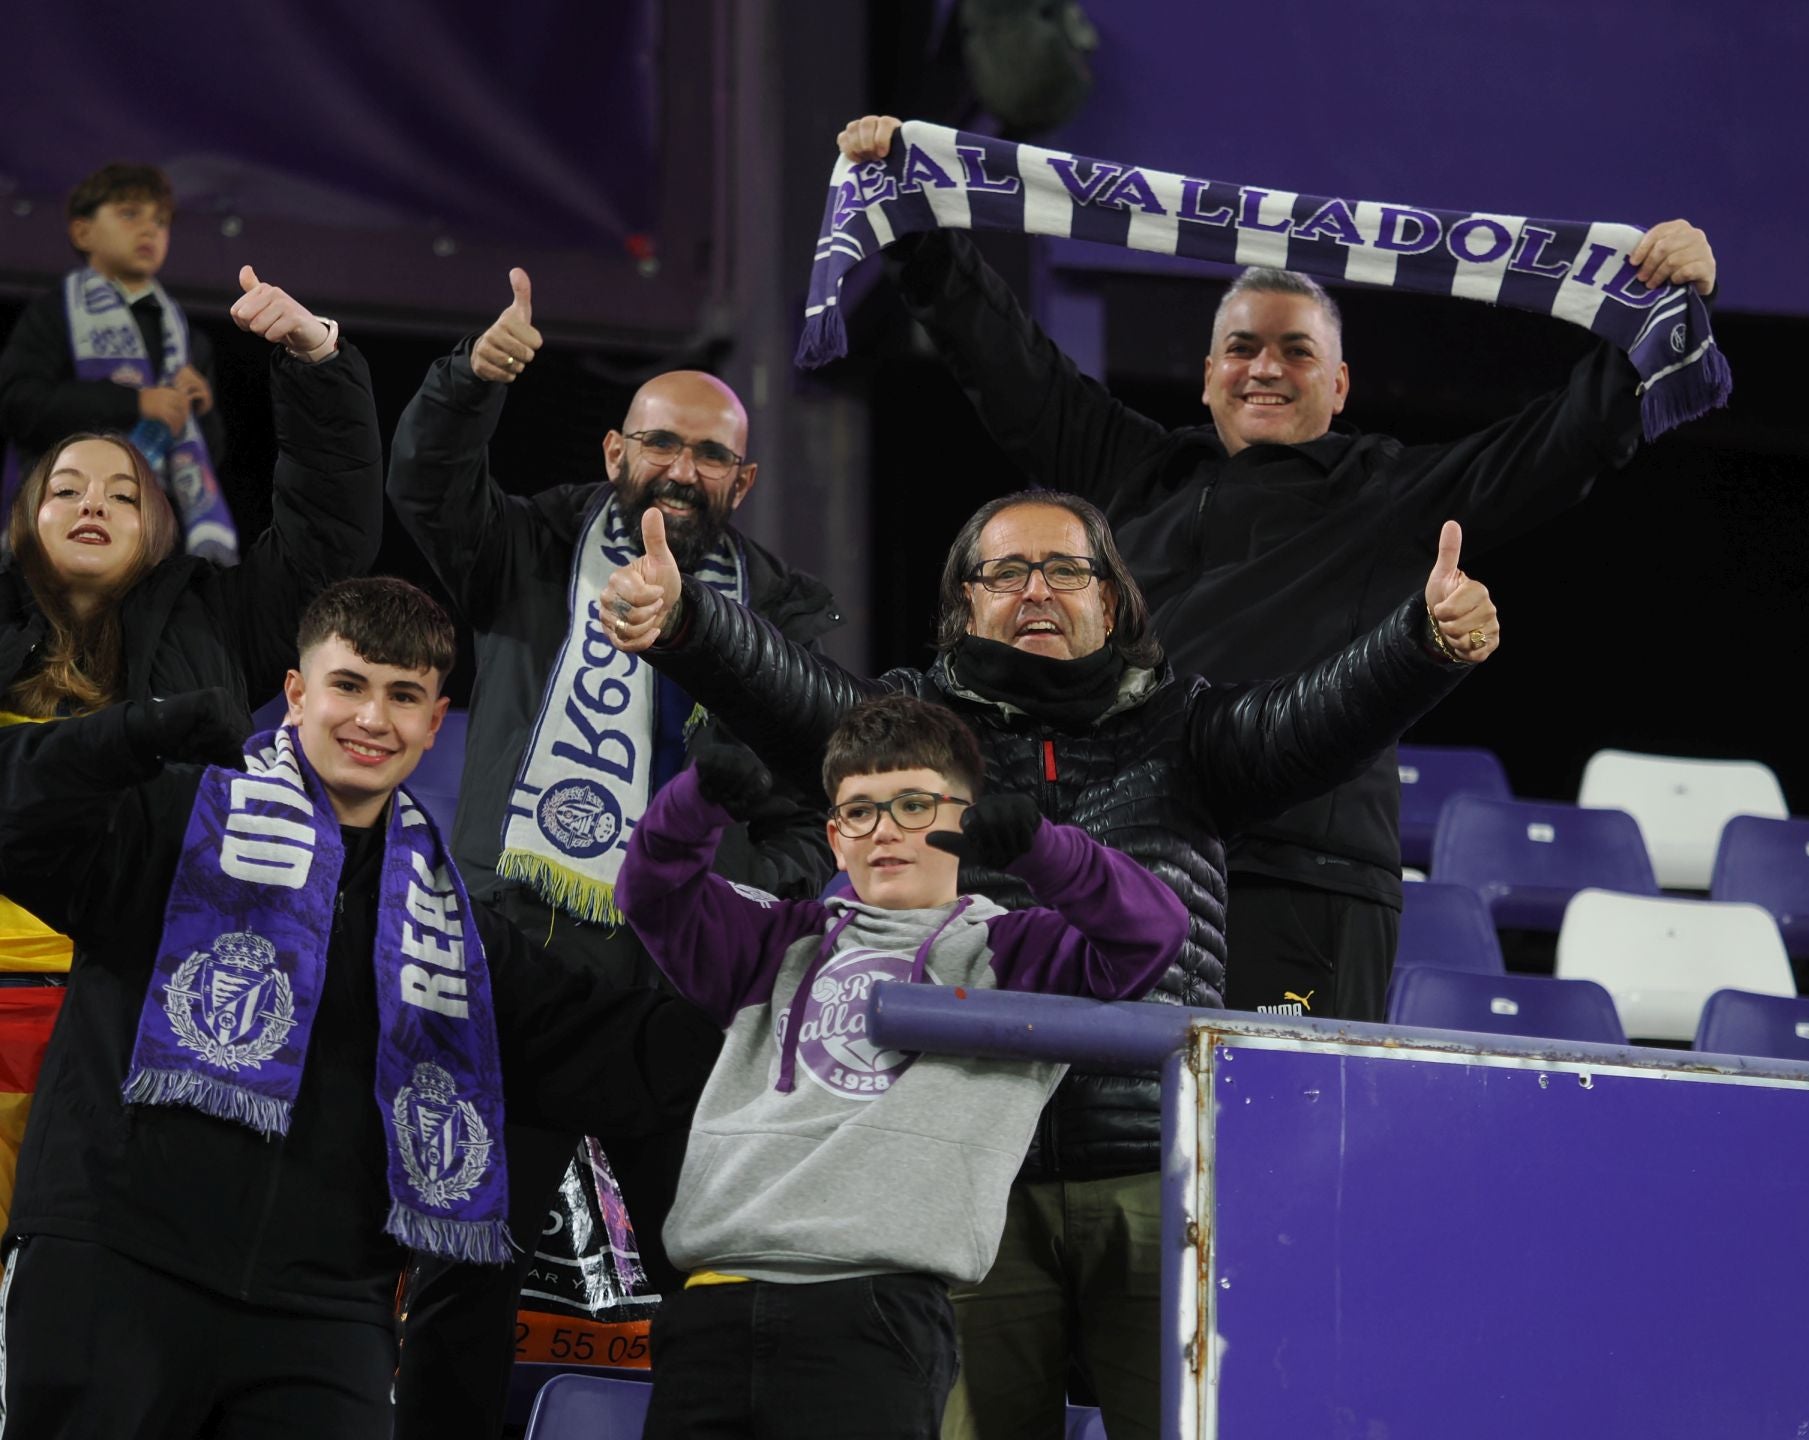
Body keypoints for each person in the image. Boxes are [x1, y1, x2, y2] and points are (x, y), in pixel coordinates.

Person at [601, 488, 1498, 1439]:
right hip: (961, 1184)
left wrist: (1422, 643)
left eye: (1065, 570)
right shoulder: (913, 734)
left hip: (1159, 1163)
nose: (1036, 590)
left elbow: (1320, 717)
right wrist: (690, 621)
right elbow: (787, 689)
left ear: (1110, 603)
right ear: (965, 606)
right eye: (1005, 573)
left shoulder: (1190, 727)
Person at [835, 114, 1717, 1026]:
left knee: (1274, 1151)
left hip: (1307, 881)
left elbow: (1565, 441)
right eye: (1245, 348)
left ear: (1338, 386)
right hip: (1131, 866)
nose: (1267, 367)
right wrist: (914, 209)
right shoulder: (1134, 471)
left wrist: (1660, 305)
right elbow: (1001, 360)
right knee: (1116, 1138)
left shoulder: (1393, 493)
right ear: (1211, 370)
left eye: (1298, 351)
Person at [0, 577, 717, 1440]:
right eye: (349, 685)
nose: (373, 719)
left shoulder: (463, 936)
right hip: (115, 1272)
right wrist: (136, 731)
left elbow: (611, 1047)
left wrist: (800, 1006)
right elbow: (16, 817)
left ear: (433, 721)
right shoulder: (170, 817)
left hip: (325, 1314)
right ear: (297, 692)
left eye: (404, 696)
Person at [385, 267, 842, 1439]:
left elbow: (815, 799)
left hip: (676, 987)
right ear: (613, 452)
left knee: (710, 1271)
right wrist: (468, 381)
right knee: (463, 1267)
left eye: (707, 454)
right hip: (511, 968)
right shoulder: (528, 548)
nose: (680, 469)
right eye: (660, 443)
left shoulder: (784, 618)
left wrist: (758, 910)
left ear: (741, 479)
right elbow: (429, 488)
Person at [616, 693, 1187, 1438]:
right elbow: (651, 897)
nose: (885, 830)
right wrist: (691, 807)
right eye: (861, 811)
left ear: (964, 818)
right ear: (834, 835)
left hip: (874, 1312)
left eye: (915, 805)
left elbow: (1154, 933)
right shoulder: (773, 939)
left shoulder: (1016, 953)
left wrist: (1047, 853)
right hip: (713, 1303)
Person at [0, 268, 380, 1231]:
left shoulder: (216, 620)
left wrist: (315, 360)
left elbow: (327, 534)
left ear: (161, 529)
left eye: (124, 495)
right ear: (26, 520)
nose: (93, 504)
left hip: (135, 1004)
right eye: (67, 489)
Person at [0, 163, 237, 560]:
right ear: (82, 231)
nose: (150, 230)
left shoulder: (187, 339)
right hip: (59, 533)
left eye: (161, 222)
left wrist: (205, 412)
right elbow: (17, 405)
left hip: (157, 544)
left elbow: (209, 457)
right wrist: (135, 404)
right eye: (130, 214)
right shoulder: (53, 315)